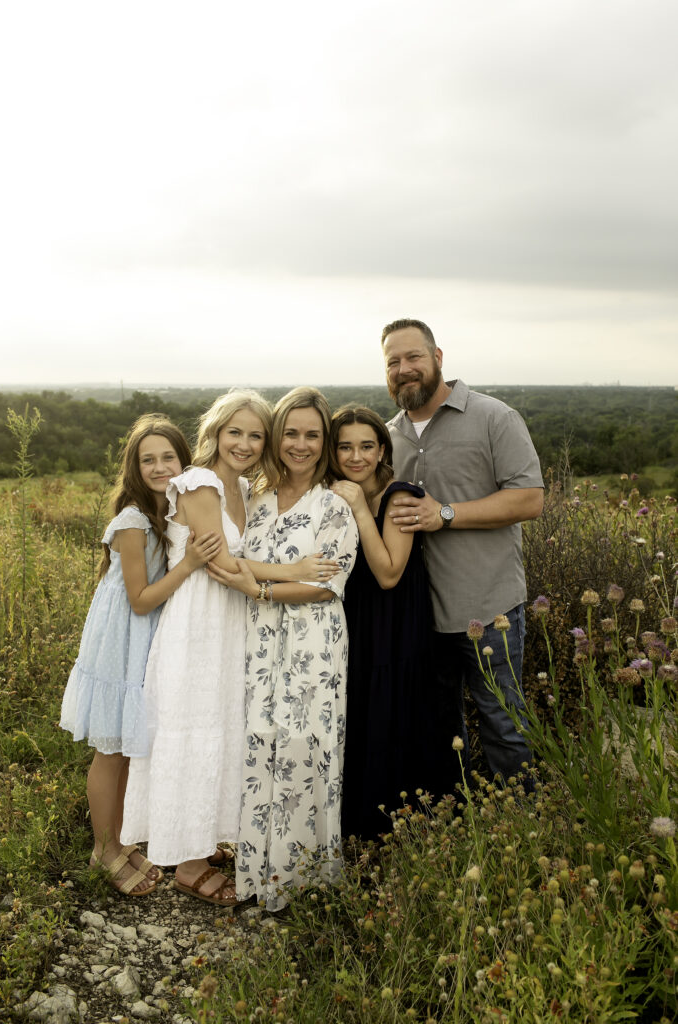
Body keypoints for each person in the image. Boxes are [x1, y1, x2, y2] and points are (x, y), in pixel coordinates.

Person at [121, 390, 336, 906]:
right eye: (233, 431)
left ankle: (206, 834)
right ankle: (186, 862)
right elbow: (221, 564)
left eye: (255, 434)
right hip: (199, 622)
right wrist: (296, 570)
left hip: (234, 621)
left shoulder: (244, 485)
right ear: (215, 432)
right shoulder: (198, 482)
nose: (243, 443)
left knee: (224, 729)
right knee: (193, 729)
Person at [208, 386, 358, 911]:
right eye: (290, 433)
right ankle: (256, 871)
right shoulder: (257, 499)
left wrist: (261, 587)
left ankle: (303, 881)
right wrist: (262, 582)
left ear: (325, 441)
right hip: (259, 641)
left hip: (313, 644)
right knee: (259, 744)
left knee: (304, 749)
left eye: (312, 435)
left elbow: (326, 584)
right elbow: (232, 562)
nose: (300, 444)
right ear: (277, 437)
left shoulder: (335, 504)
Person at [60, 414, 221, 896]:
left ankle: (125, 839)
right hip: (120, 643)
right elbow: (140, 599)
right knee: (111, 750)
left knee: (134, 745)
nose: (159, 467)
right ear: (134, 467)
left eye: (168, 457)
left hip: (145, 642)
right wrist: (191, 563)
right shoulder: (132, 521)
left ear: (184, 461)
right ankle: (104, 849)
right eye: (147, 459)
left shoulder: (171, 512)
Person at [380, 318, 544, 783]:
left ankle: (526, 823)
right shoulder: (387, 435)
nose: (404, 368)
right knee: (438, 727)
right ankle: (459, 823)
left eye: (413, 356)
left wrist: (444, 514)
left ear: (437, 357)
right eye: (393, 361)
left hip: (488, 607)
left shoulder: (494, 417)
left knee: (504, 724)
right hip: (419, 614)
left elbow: (530, 499)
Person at [329, 406, 454, 840]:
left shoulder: (401, 496)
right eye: (345, 446)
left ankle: (397, 831)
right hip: (354, 620)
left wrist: (360, 508)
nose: (356, 456)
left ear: (383, 449)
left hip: (396, 623)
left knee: (394, 712)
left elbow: (388, 573)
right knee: (360, 712)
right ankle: (354, 829)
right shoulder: (334, 493)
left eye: (366, 445)